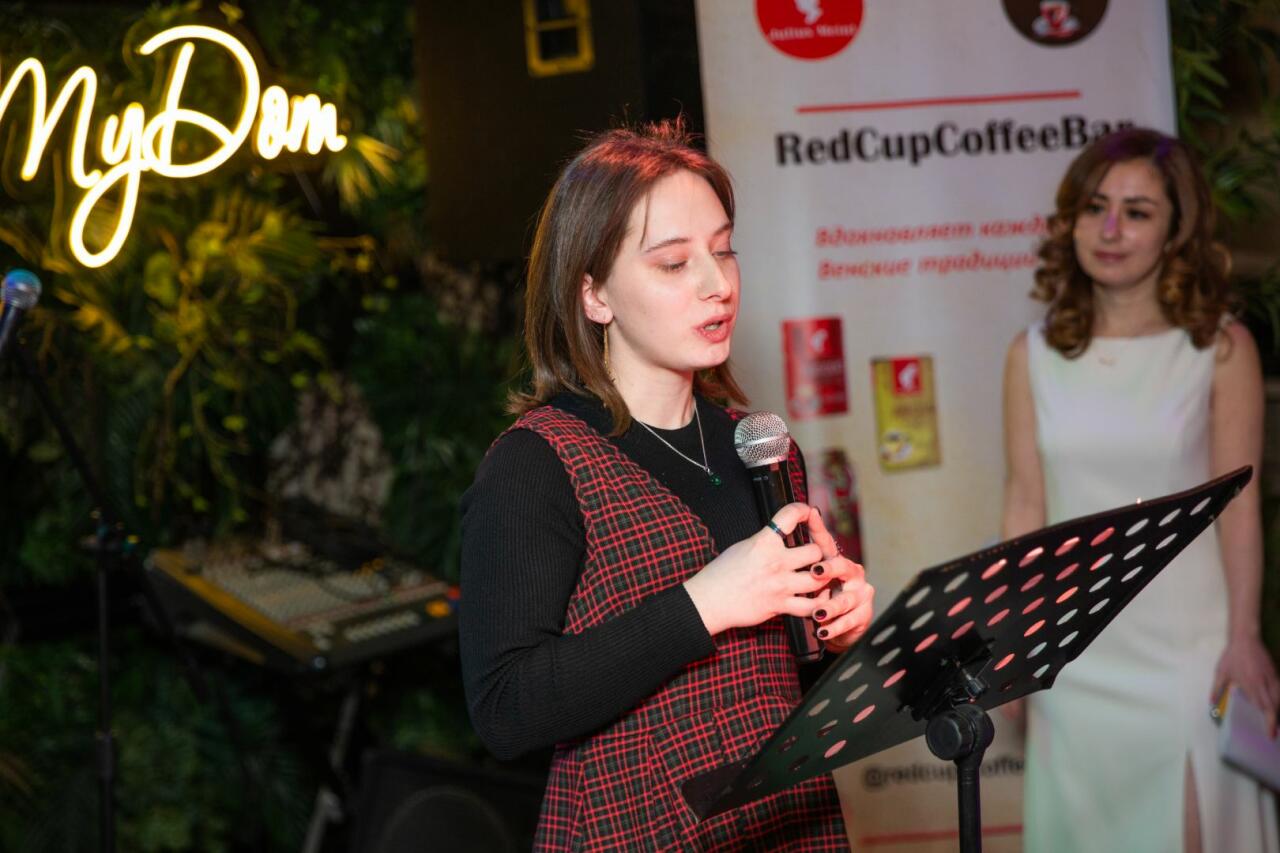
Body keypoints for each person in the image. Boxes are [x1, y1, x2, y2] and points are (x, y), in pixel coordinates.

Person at [459, 120, 875, 850]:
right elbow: (506, 710)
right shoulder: (536, 462)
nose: (718, 285)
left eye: (723, 250)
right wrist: (704, 603)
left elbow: (780, 687)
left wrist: (835, 633)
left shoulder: (761, 447)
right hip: (636, 831)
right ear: (594, 295)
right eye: (675, 263)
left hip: (786, 822)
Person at [1001, 127, 1280, 853]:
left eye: (1137, 211)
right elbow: (1026, 503)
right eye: (1095, 207)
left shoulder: (1220, 349)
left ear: (1176, 229)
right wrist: (1017, 644)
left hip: (1188, 653)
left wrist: (1245, 636)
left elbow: (1241, 510)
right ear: (1071, 221)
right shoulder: (1032, 355)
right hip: (1074, 659)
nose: (1111, 229)